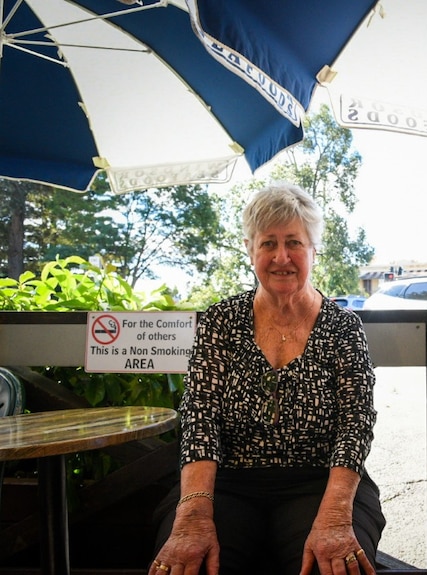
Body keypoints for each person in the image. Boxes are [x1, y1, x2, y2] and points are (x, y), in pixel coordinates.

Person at [150, 183, 384, 575]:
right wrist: (193, 513)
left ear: (313, 250)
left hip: (319, 482)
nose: (281, 257)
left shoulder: (343, 327)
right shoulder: (221, 322)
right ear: (249, 249)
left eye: (294, 242)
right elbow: (200, 420)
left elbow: (355, 426)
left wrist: (335, 516)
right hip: (226, 483)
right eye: (268, 243)